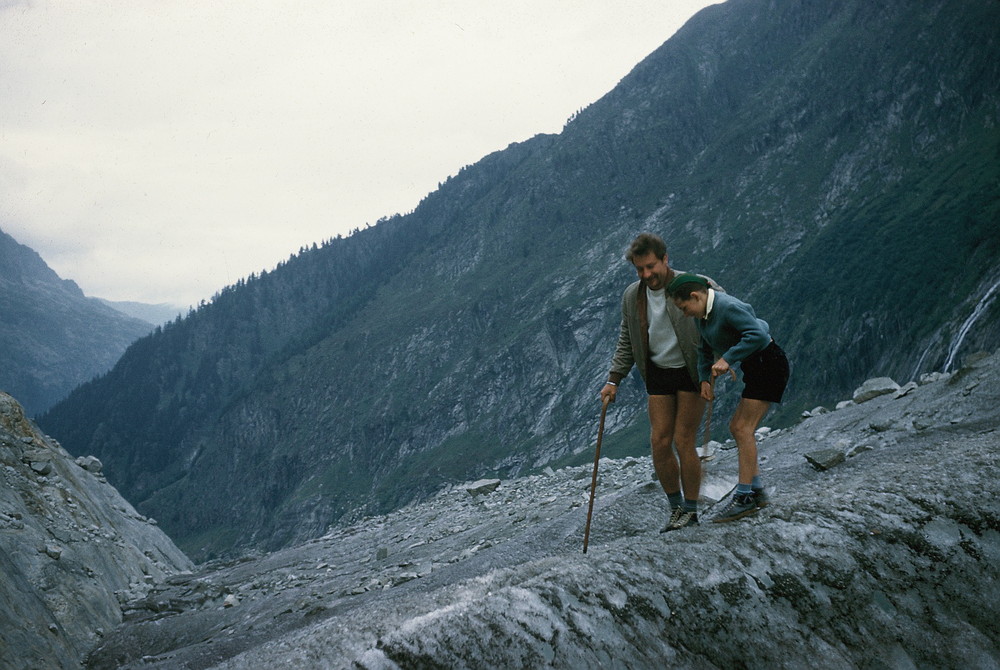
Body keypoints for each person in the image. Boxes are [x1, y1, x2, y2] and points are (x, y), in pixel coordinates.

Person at [600, 233, 721, 532]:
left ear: (665, 259)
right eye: (640, 269)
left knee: (683, 440)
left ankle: (691, 512)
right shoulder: (633, 295)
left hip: (691, 371)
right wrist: (613, 380)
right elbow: (627, 339)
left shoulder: (694, 284)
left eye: (651, 266)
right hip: (658, 372)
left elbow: (723, 316)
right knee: (658, 442)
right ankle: (676, 508)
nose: (646, 275)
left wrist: (718, 361)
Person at [667, 273, 790, 523]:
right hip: (756, 366)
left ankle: (745, 497)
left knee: (743, 428)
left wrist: (727, 359)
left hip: (769, 363)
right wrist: (703, 380)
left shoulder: (728, 306)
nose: (684, 313)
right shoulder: (703, 316)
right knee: (737, 427)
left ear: (696, 296)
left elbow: (757, 334)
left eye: (684, 307)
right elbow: (703, 351)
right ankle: (755, 491)